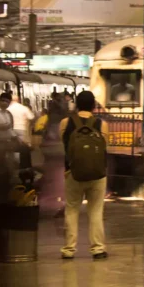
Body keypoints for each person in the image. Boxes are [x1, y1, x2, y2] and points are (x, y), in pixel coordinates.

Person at [60, 91, 109, 260]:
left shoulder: (65, 123)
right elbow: (104, 146)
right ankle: (98, 249)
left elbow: (65, 146)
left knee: (72, 209)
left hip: (72, 173)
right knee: (95, 211)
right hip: (97, 174)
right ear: (93, 105)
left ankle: (69, 249)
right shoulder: (101, 124)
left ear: (77, 105)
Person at [36, 99, 67, 218]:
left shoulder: (53, 124)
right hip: (58, 158)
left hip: (54, 158)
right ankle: (62, 205)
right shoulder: (62, 123)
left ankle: (57, 206)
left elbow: (49, 139)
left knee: (54, 183)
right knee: (58, 183)